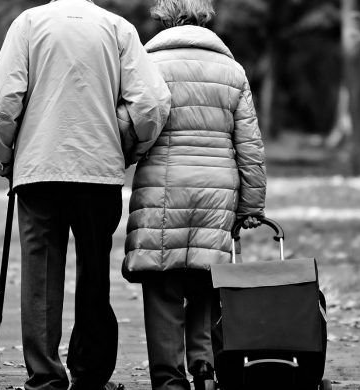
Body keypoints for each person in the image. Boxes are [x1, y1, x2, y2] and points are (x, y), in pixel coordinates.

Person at [0, 0, 171, 389]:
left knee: (40, 274)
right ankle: (89, 373)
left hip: (38, 169)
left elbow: (0, 99)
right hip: (98, 169)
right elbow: (152, 102)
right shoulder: (117, 29)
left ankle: (45, 376)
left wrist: (3, 158)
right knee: (94, 272)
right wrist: (126, 147)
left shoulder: (29, 24)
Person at [119, 0, 267, 389]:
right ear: (205, 17)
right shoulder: (232, 71)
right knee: (206, 278)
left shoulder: (146, 65)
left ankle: (169, 380)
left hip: (161, 190)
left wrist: (123, 157)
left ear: (163, 17)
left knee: (162, 284)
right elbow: (250, 146)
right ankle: (204, 366)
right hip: (217, 191)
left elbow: (131, 126)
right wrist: (251, 205)